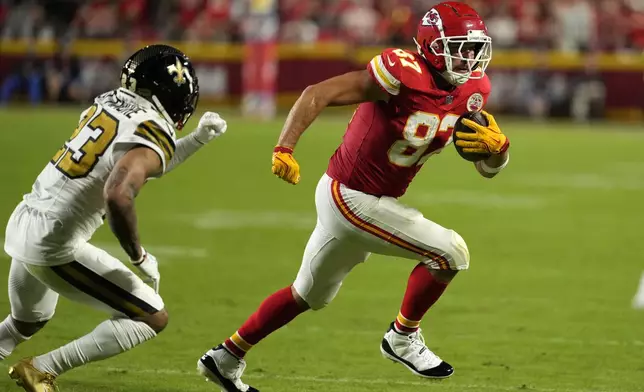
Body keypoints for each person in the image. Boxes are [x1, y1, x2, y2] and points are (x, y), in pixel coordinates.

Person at [197, 2, 510, 391]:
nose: (470, 57)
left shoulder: (473, 90)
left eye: (474, 47)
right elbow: (318, 92)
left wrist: (499, 151)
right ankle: (402, 336)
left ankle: (226, 356)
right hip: (351, 196)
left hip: (366, 201)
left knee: (305, 295)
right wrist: (284, 148)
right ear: (431, 45)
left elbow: (487, 169)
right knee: (450, 252)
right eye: (460, 47)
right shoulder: (402, 72)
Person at [0, 44, 227, 392]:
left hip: (23, 220)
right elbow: (119, 192)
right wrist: (139, 255)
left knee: (26, 322)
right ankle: (42, 368)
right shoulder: (153, 130)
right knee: (152, 316)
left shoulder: (107, 101)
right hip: (55, 240)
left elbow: (145, 162)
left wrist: (196, 140)